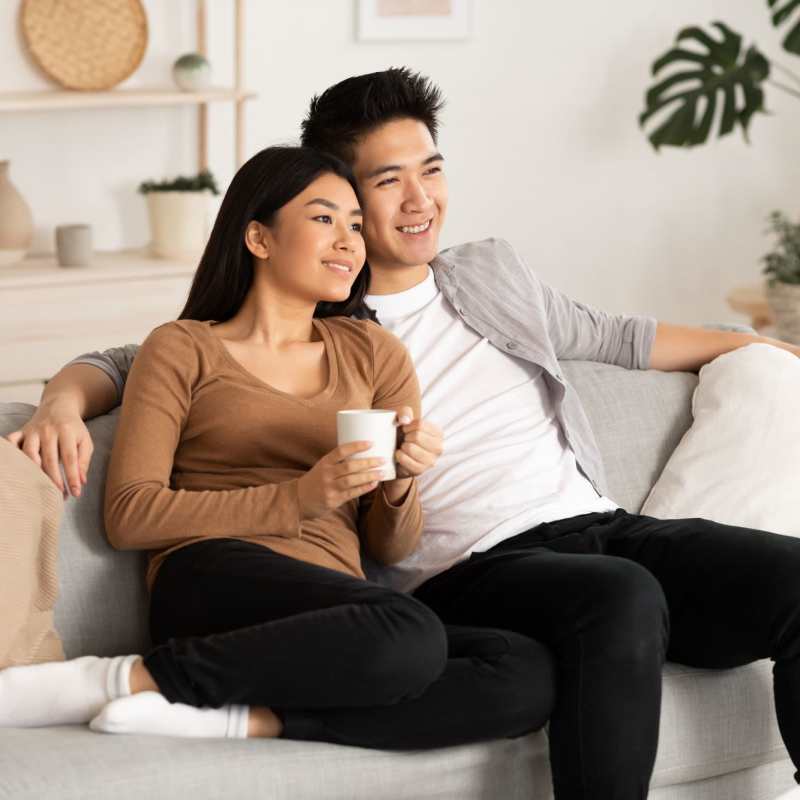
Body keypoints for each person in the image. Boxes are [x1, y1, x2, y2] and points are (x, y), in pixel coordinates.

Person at [8, 68, 800, 798]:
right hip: (476, 569)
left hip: (598, 525)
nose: (418, 199)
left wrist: (763, 348)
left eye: (431, 169)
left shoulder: (483, 280)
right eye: (385, 183)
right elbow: (136, 358)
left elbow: (621, 336)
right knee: (616, 598)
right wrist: (60, 401)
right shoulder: (305, 319)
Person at [0, 145, 555, 749]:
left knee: (524, 669)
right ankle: (116, 678)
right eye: (323, 219)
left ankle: (240, 718)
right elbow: (130, 514)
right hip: (212, 575)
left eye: (355, 224)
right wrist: (299, 497)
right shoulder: (183, 347)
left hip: (339, 604)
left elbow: (389, 546)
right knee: (408, 633)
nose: (349, 241)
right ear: (259, 238)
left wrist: (400, 480)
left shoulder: (374, 352)